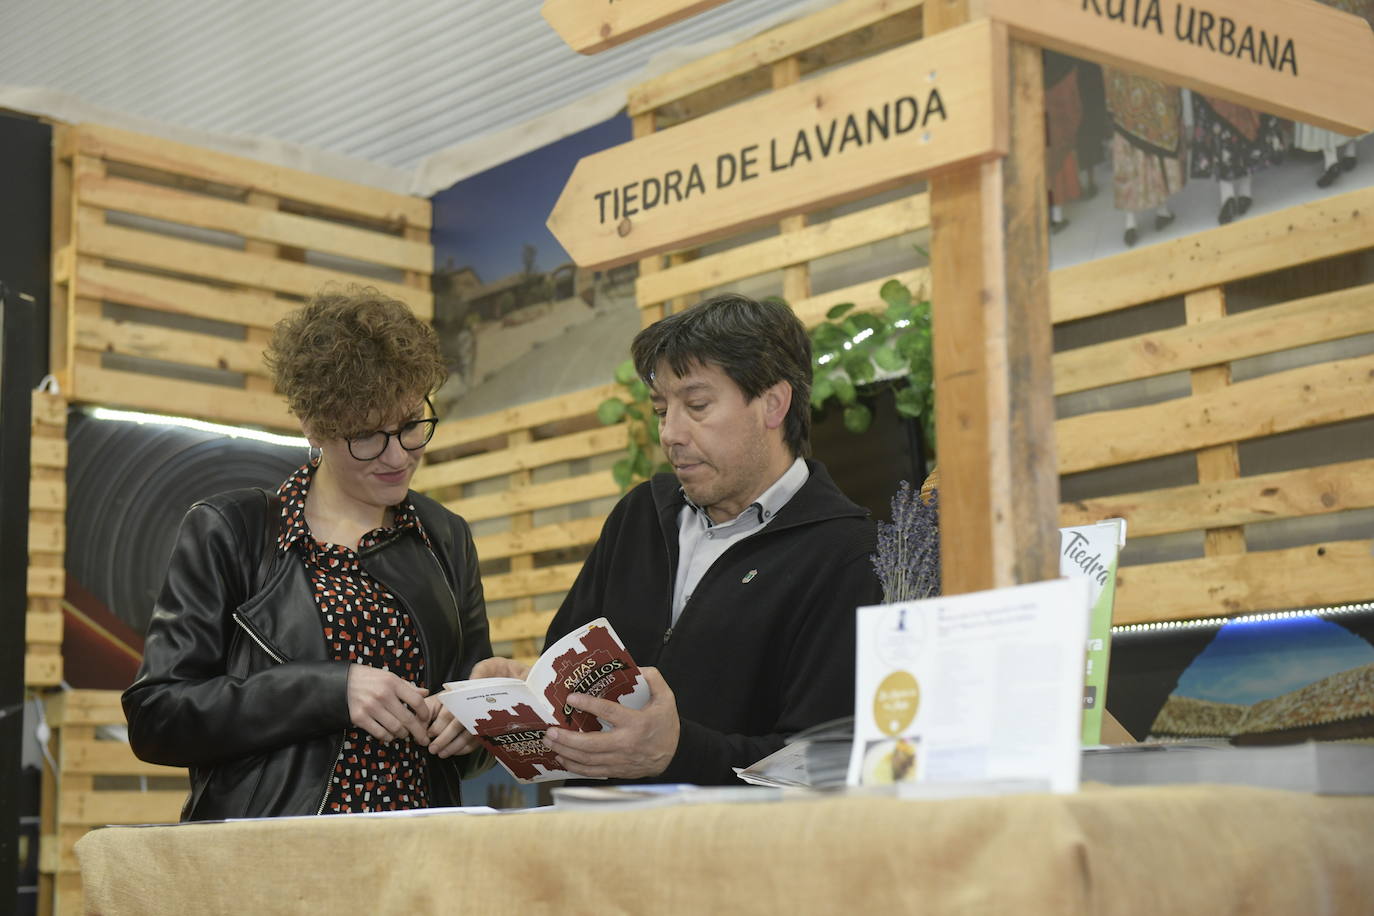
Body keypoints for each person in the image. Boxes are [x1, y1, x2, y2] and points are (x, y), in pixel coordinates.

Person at [123, 285, 494, 820]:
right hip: (275, 860)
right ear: (314, 426)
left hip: (417, 858)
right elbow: (156, 718)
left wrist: (475, 723)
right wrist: (329, 690)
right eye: (367, 435)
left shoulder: (445, 538)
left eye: (411, 426)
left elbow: (465, 747)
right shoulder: (233, 532)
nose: (398, 455)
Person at [539, 293, 882, 785]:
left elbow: (824, 761)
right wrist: (519, 692)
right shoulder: (639, 516)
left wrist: (677, 752)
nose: (671, 434)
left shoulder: (849, 555)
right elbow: (564, 667)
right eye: (662, 410)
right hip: (596, 843)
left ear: (773, 404)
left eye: (696, 406)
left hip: (734, 853)